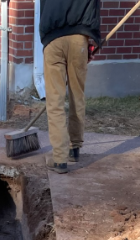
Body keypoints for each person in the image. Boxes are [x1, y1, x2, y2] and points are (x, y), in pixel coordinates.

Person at [40, 0, 101, 173]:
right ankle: (74, 149)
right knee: (77, 95)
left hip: (53, 40)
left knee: (55, 101)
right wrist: (92, 41)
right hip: (78, 39)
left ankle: (59, 159)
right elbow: (94, 7)